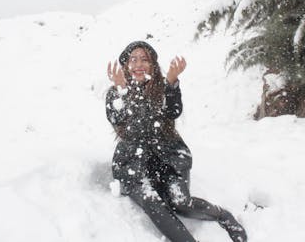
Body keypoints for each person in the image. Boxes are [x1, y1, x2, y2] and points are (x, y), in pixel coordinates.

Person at [105, 41, 247, 242]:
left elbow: (173, 111)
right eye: (133, 59)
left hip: (168, 155)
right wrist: (123, 91)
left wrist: (171, 83)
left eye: (144, 59)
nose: (138, 64)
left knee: (181, 202)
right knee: (150, 200)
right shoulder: (115, 94)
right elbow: (124, 124)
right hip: (133, 160)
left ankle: (222, 215)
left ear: (153, 65)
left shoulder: (162, 88)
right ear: (125, 66)